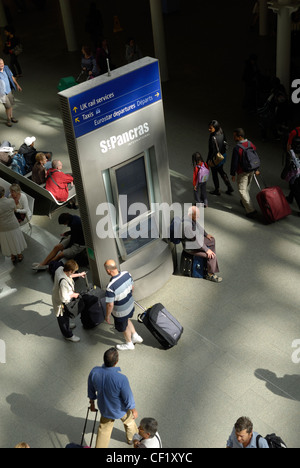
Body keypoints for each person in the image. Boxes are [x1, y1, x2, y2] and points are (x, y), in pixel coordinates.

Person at [88, 347, 138, 448]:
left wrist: (92, 404)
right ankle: (132, 440)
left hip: (105, 409)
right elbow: (127, 398)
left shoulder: (94, 372)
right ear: (116, 362)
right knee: (129, 422)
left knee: (103, 430)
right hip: (120, 409)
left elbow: (91, 390)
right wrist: (133, 409)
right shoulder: (121, 379)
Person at [104, 260, 143, 351]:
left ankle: (129, 343)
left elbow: (110, 305)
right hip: (130, 305)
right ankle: (135, 336)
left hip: (120, 312)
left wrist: (107, 316)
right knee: (127, 319)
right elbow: (132, 287)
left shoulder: (110, 287)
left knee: (124, 327)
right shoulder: (127, 274)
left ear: (108, 271)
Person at [182, 206, 222, 283]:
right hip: (191, 247)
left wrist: (206, 234)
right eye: (197, 215)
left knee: (212, 240)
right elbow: (196, 241)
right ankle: (210, 274)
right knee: (212, 256)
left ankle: (211, 263)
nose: (199, 217)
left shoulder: (190, 217)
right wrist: (207, 250)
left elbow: (199, 227)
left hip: (195, 242)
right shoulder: (187, 226)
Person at [52, 259, 86, 342]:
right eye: (74, 271)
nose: (73, 273)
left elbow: (69, 276)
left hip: (56, 296)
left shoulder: (60, 269)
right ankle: (68, 335)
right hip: (61, 303)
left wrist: (79, 274)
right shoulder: (63, 282)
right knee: (62, 318)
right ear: (70, 270)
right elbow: (64, 298)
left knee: (65, 315)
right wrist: (74, 295)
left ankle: (67, 325)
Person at [230, 128, 260, 218]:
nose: (233, 137)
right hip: (252, 170)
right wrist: (256, 168)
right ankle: (244, 202)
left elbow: (234, 163)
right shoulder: (251, 144)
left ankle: (251, 211)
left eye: (235, 136)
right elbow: (254, 157)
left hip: (242, 172)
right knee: (247, 188)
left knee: (242, 190)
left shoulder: (237, 148)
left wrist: (233, 174)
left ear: (239, 137)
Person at [0, 185, 27, 263]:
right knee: (16, 240)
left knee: (8, 242)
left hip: (2, 227)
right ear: (3, 193)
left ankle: (12, 256)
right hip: (13, 225)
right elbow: (15, 210)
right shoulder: (11, 201)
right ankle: (19, 255)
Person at [207, 120, 234, 196]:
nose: (209, 129)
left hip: (216, 157)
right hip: (223, 155)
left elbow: (212, 151)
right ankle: (229, 187)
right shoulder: (221, 131)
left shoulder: (213, 137)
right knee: (221, 171)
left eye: (210, 128)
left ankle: (217, 189)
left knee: (214, 173)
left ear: (215, 127)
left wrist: (208, 161)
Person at [0, 58, 22, 127]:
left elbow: (11, 77)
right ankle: (8, 119)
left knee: (11, 105)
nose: (2, 65)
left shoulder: (6, 68)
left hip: (9, 90)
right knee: (8, 107)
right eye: (0, 64)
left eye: (2, 63)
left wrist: (17, 85)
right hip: (2, 93)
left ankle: (11, 116)